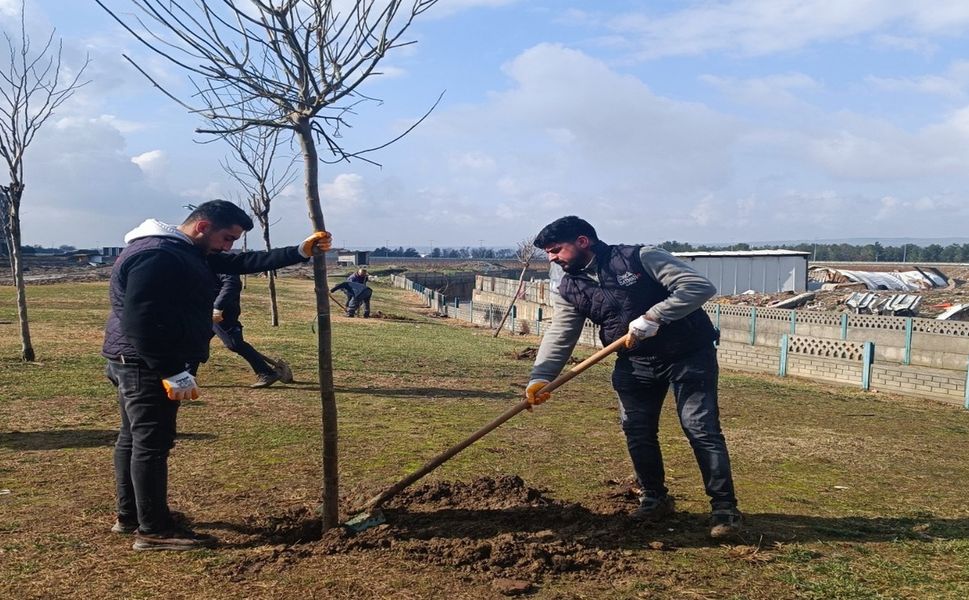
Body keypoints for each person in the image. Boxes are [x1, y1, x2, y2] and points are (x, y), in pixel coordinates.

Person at [102, 200, 331, 551]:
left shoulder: (183, 250)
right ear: (203, 226)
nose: (229, 247)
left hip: (136, 361)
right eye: (226, 238)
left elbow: (242, 263)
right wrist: (171, 371)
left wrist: (301, 250)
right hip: (145, 365)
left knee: (133, 440)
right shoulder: (158, 256)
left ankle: (131, 515)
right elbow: (141, 320)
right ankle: (153, 531)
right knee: (151, 444)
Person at [524, 216, 742, 539]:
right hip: (636, 361)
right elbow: (561, 332)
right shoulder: (569, 287)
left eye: (557, 250)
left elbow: (698, 287)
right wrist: (540, 377)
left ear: (583, 241)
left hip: (688, 353)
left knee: (700, 427)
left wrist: (655, 316)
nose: (553, 258)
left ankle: (725, 509)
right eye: (549, 254)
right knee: (637, 429)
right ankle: (654, 497)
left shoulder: (639, 258)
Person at [212, 273, 294, 388]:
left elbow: (232, 283)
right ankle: (188, 375)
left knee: (234, 343)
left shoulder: (217, 262)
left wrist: (217, 307)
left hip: (221, 312)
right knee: (194, 342)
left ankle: (267, 372)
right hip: (204, 308)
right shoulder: (199, 260)